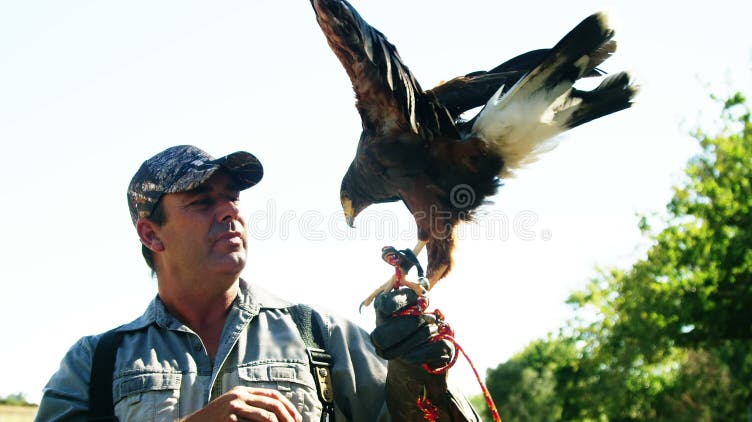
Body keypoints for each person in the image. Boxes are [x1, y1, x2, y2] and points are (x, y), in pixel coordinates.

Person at [35, 145, 479, 421]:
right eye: (202, 201)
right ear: (151, 234)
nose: (228, 211)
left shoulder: (320, 337)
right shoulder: (95, 364)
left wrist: (422, 378)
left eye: (231, 197)